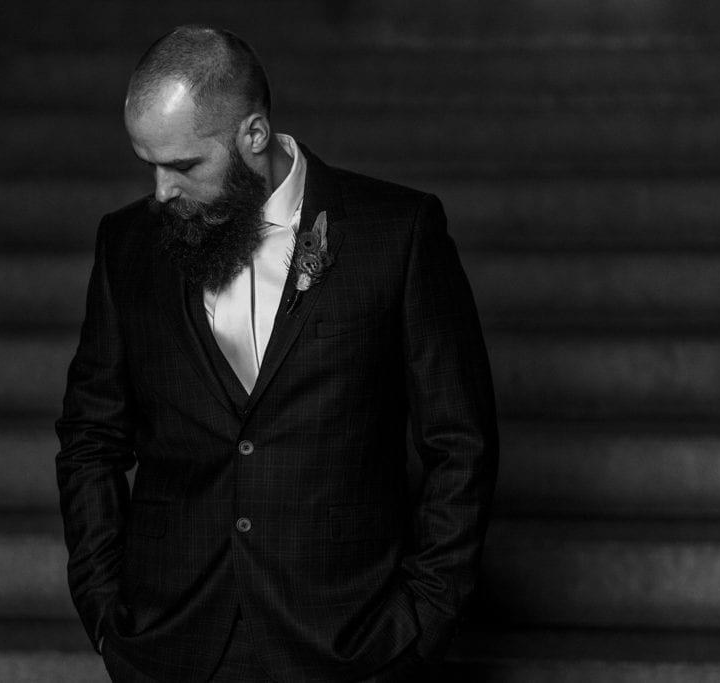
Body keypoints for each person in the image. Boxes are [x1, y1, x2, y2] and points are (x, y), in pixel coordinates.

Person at [55, 24, 498, 683]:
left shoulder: (397, 232)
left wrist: (424, 620)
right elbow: (91, 438)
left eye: (184, 165)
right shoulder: (127, 243)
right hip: (170, 641)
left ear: (253, 135)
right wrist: (102, 606)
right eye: (149, 164)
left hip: (348, 642)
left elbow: (460, 443)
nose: (161, 190)